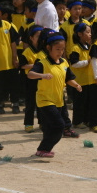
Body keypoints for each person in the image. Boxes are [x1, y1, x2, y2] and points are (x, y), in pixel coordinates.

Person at [28, 30, 82, 158]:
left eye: (62, 49)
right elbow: (30, 74)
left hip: (58, 100)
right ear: (49, 48)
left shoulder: (64, 63)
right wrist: (43, 75)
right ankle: (43, 148)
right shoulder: (42, 63)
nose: (60, 52)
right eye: (57, 49)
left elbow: (68, 78)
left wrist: (76, 85)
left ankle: (42, 150)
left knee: (49, 127)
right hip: (44, 100)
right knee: (59, 125)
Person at [19, 24, 44, 133]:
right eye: (38, 36)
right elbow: (22, 66)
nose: (40, 39)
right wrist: (36, 65)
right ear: (31, 38)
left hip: (41, 80)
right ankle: (28, 124)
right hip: (30, 80)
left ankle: (42, 122)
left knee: (41, 102)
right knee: (30, 103)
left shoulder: (44, 51)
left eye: (41, 36)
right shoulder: (27, 52)